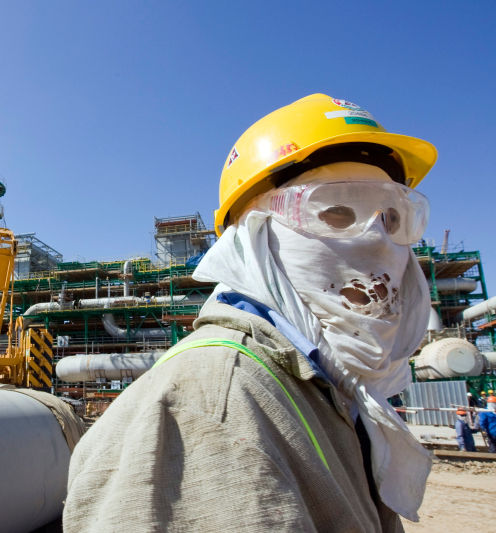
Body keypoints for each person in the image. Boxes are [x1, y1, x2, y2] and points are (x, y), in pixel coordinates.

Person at [64, 94, 437, 532]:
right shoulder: (207, 410)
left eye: (393, 218)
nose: (377, 239)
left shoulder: (326, 390)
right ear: (253, 235)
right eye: (337, 212)